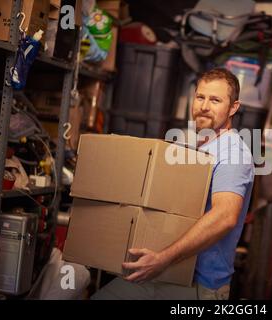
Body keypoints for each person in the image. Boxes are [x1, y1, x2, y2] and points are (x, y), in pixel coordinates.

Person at [91, 67, 255, 300]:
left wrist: (163, 259)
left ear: (233, 108)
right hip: (170, 273)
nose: (204, 106)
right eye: (200, 97)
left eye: (215, 100)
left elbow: (225, 216)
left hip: (197, 286)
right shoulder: (205, 146)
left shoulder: (233, 154)